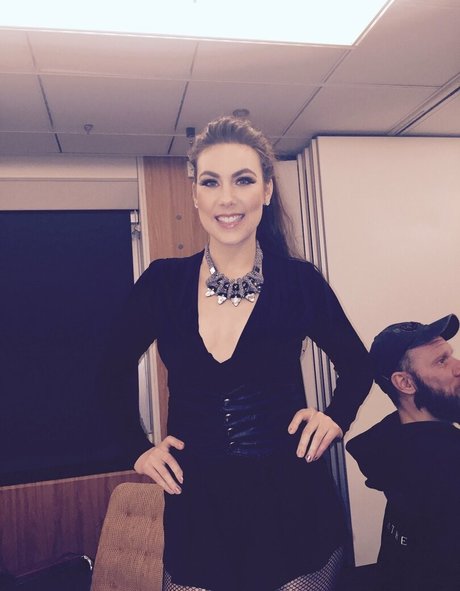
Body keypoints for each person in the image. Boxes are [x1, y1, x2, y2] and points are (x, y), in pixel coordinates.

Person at [109, 116, 372, 591]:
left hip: (294, 506)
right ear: (195, 195)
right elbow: (109, 371)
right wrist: (137, 448)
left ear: (266, 191)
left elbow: (358, 365)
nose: (226, 198)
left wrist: (335, 417)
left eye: (244, 180)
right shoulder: (162, 283)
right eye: (211, 182)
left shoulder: (300, 282)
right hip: (198, 512)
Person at [347, 314, 460, 591]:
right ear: (406, 383)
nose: (457, 366)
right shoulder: (447, 465)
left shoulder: (392, 442)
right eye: (441, 361)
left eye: (450, 356)